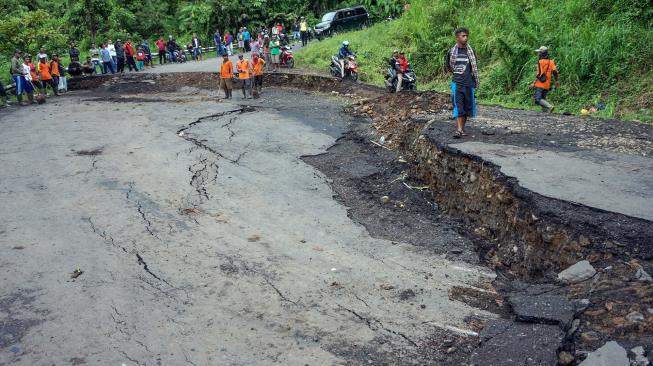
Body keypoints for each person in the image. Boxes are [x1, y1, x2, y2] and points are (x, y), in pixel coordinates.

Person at [446, 27, 479, 138]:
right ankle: (459, 130)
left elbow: (474, 67)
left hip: (469, 84)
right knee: (459, 106)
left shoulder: (471, 51)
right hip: (457, 83)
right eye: (463, 36)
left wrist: (474, 81)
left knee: (466, 107)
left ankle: (462, 129)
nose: (465, 38)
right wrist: (458, 75)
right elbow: (449, 67)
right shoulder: (451, 52)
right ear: (457, 37)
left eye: (466, 36)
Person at [531, 46, 560, 113]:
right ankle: (545, 111)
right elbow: (555, 72)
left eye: (539, 53)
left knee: (537, 99)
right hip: (547, 84)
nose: (538, 54)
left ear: (542, 54)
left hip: (540, 84)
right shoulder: (551, 62)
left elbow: (539, 75)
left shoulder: (540, 62)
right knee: (543, 99)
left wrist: (534, 83)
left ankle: (550, 107)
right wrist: (556, 80)